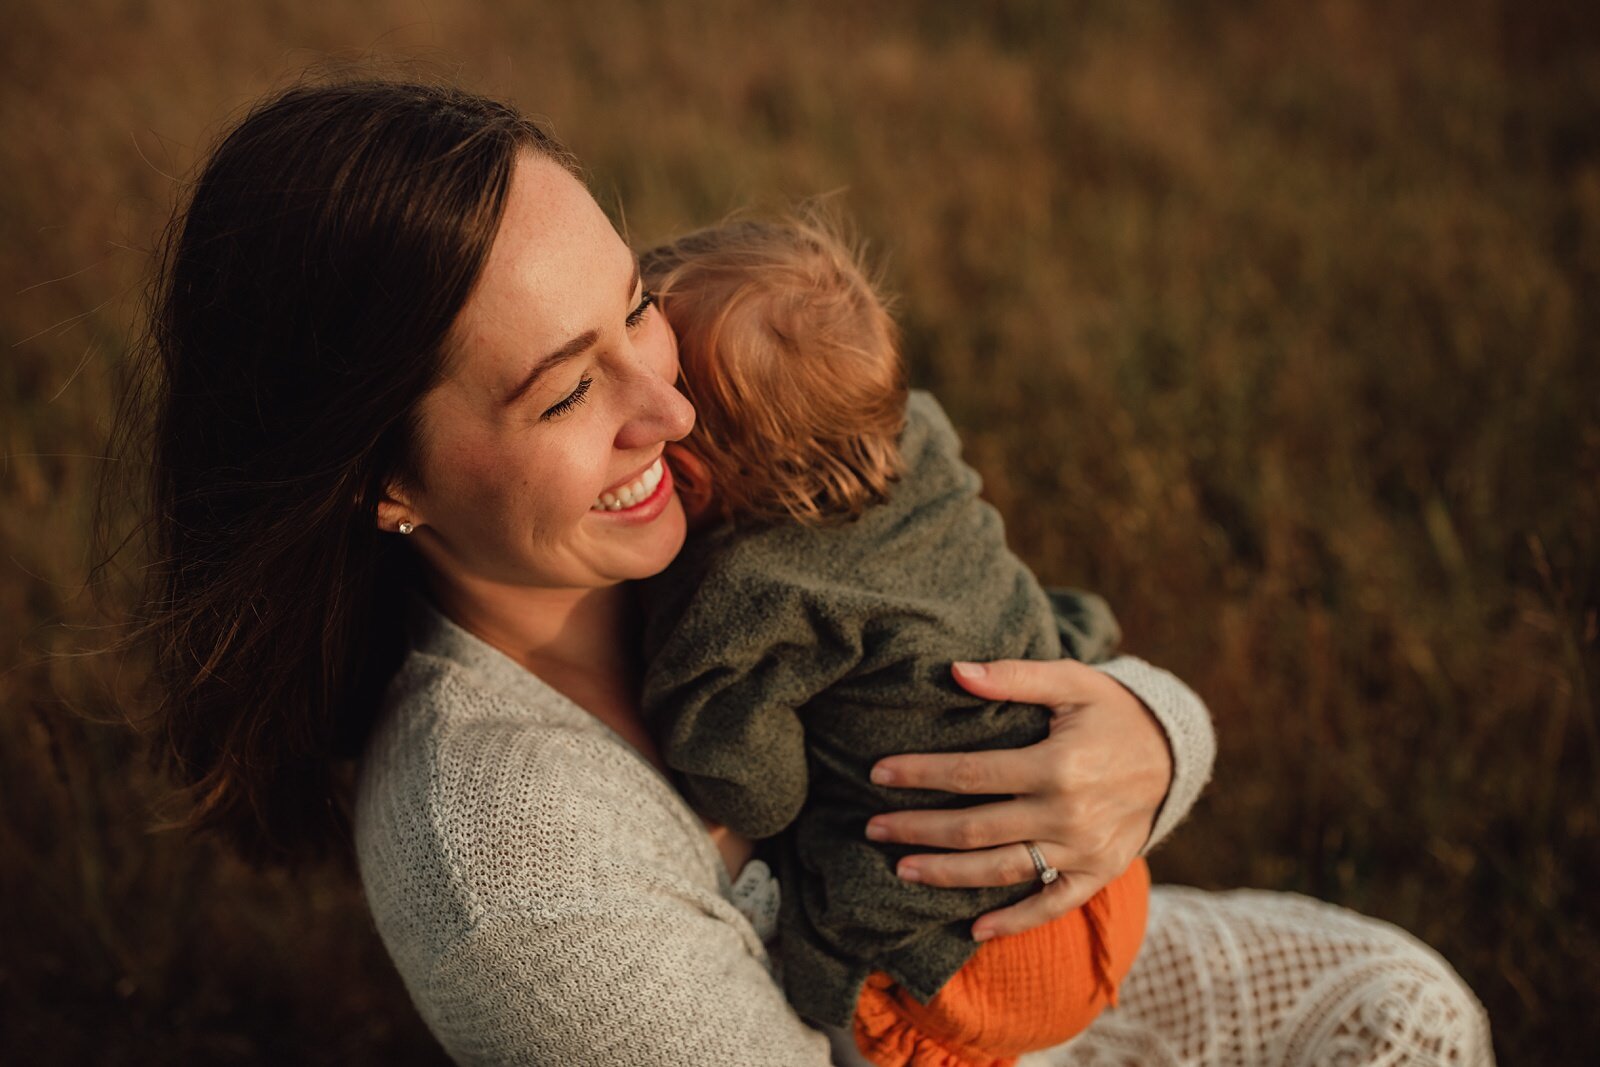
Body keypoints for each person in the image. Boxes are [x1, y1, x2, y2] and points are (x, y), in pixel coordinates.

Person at [123, 78, 1496, 1065]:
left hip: (1007, 949)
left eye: (636, 305)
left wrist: (1149, 730)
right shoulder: (516, 866)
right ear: (384, 482)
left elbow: (961, 596)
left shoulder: (684, 485)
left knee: (1403, 999)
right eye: (561, 395)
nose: (668, 410)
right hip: (909, 1021)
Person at [634, 214, 1153, 1067]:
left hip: (972, 956)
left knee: (825, 941)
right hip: (1107, 869)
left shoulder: (748, 587)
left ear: (695, 474)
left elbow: (753, 789)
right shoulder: (923, 437)